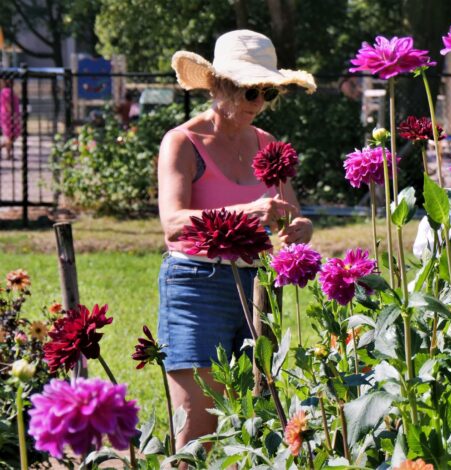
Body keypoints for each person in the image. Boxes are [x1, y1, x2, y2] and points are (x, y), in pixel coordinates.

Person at [159, 29, 317, 449]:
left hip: (260, 287)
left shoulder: (267, 144)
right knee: (196, 432)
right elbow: (173, 224)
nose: (261, 103)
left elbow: (289, 214)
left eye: (269, 92)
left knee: (261, 420)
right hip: (196, 286)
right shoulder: (182, 142)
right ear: (220, 87)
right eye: (252, 92)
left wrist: (301, 228)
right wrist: (245, 212)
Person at [0, 78, 21, 160]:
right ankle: (8, 154)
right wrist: (13, 115)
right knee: (11, 135)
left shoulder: (8, 90)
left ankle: (8, 154)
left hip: (8, 115)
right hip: (8, 116)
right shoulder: (6, 91)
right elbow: (7, 104)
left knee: (11, 135)